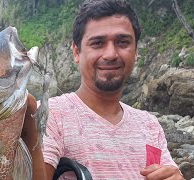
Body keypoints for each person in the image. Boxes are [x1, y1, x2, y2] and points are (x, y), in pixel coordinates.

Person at [21, 0, 184, 179]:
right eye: (98, 43)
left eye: (122, 42)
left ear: (136, 50)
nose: (111, 54)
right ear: (76, 51)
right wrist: (30, 125)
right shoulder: (50, 116)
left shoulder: (150, 125)